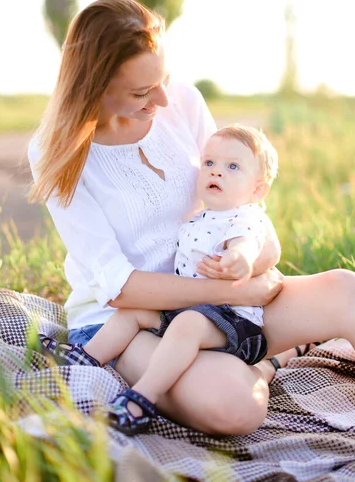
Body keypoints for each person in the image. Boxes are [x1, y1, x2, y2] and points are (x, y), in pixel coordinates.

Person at [29, 0, 355, 437]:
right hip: (133, 320)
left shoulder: (183, 101)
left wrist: (255, 263)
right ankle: (266, 367)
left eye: (163, 78)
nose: (163, 98)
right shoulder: (58, 152)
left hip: (222, 306)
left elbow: (248, 209)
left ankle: (254, 357)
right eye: (142, 92)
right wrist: (230, 291)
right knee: (235, 408)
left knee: (345, 290)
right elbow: (120, 287)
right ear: (94, 87)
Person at [40, 123, 278, 435]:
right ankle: (86, 358)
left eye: (232, 167)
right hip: (195, 310)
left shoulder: (244, 218)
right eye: (209, 163)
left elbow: (246, 243)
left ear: (257, 189)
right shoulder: (201, 218)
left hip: (233, 320)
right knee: (133, 313)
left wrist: (239, 260)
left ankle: (142, 399)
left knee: (187, 325)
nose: (216, 172)